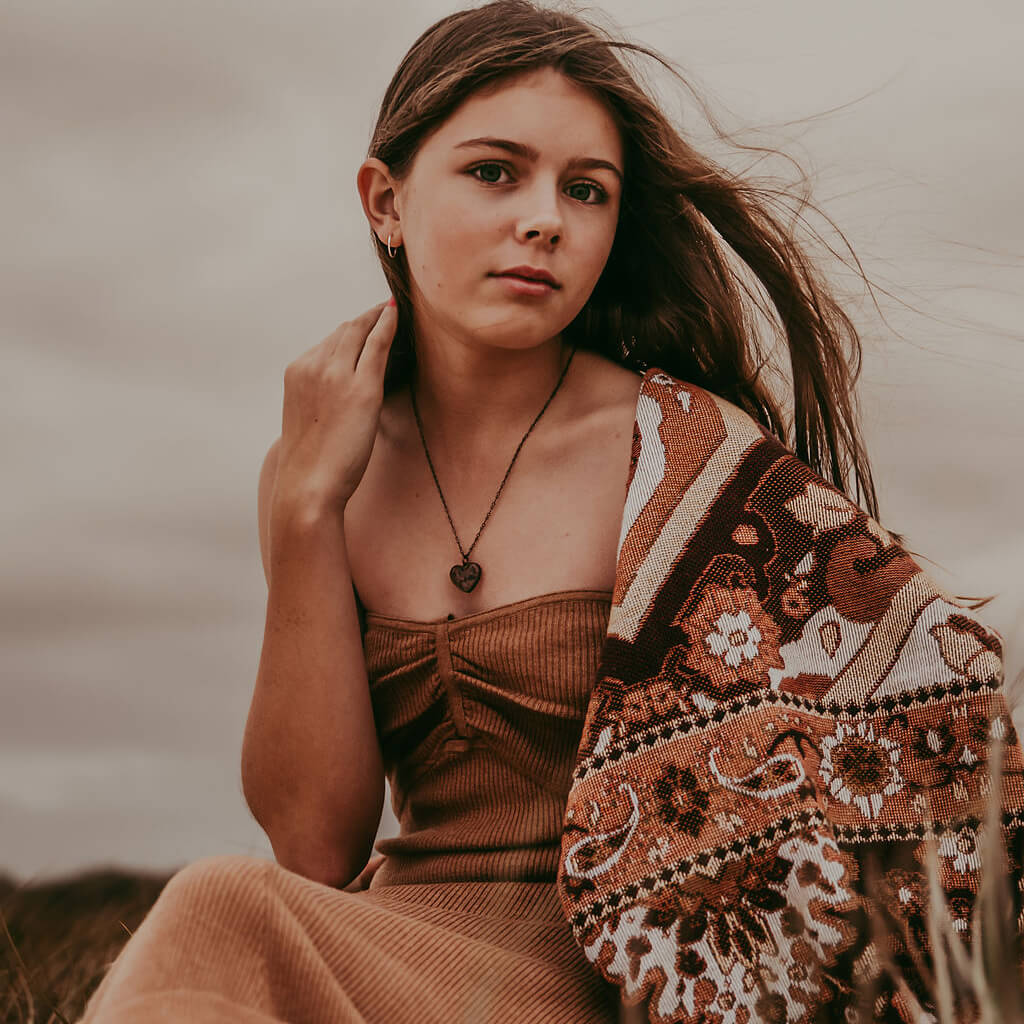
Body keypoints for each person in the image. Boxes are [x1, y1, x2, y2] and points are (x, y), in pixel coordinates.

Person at [76, 2, 1022, 1022]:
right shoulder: (319, 470)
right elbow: (314, 846)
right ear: (383, 201)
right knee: (231, 910)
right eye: (495, 172)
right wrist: (306, 511)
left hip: (613, 975)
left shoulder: (686, 454)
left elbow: (932, 721)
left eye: (586, 190)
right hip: (388, 953)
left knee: (221, 905)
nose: (545, 219)